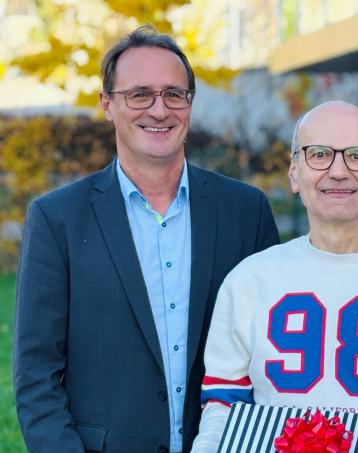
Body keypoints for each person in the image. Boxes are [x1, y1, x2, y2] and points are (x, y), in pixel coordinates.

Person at [13, 26, 279, 453]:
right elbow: (36, 374)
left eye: (174, 94)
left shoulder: (245, 211)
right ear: (107, 105)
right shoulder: (57, 218)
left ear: (190, 104)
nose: (159, 110)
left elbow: (272, 357)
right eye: (139, 94)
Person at [191, 101, 358, 452]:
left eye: (357, 155)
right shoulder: (248, 281)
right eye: (319, 154)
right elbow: (223, 408)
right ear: (294, 173)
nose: (338, 171)